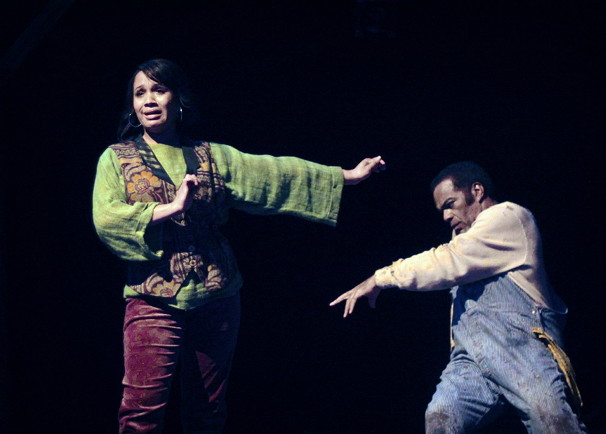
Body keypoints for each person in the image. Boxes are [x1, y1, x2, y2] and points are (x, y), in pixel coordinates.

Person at [92, 58, 386, 433]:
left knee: (207, 413)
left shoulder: (212, 156)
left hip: (216, 295)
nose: (149, 100)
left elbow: (274, 173)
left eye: (159, 90)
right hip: (153, 298)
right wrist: (171, 208)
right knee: (141, 414)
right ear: (132, 105)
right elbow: (108, 217)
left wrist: (347, 176)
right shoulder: (117, 158)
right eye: (140, 93)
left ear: (177, 99)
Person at [330, 161, 587, 433]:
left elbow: (449, 261)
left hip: (523, 349)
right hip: (471, 361)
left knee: (553, 423)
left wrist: (380, 278)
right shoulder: (463, 240)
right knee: (440, 418)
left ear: (477, 191)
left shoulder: (508, 217)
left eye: (450, 204)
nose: (445, 216)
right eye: (441, 210)